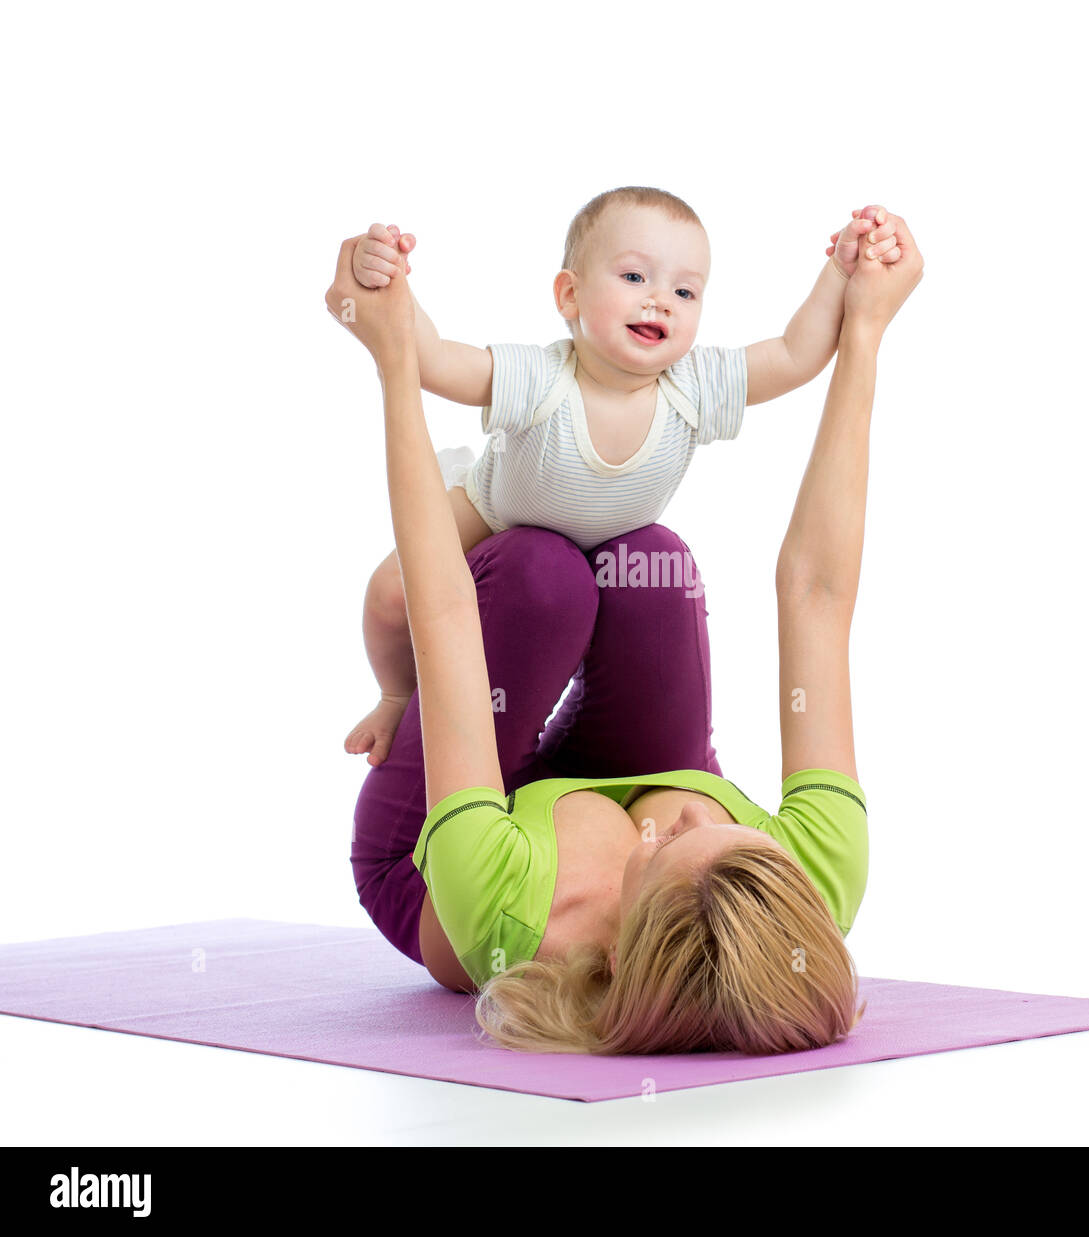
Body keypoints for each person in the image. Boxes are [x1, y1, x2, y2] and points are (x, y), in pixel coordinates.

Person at [326, 211, 924, 1055]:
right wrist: (864, 327)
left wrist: (393, 361)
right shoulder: (809, 881)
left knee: (540, 575)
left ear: (617, 945)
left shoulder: (506, 907)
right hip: (578, 795)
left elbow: (444, 608)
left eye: (667, 854)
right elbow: (817, 591)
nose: (686, 819)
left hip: (426, 852)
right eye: (724, 832)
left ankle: (531, 672)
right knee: (650, 563)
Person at [343, 187, 905, 766]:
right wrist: (389, 284)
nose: (661, 301)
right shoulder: (540, 377)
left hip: (616, 552)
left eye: (685, 291)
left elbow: (796, 354)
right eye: (635, 278)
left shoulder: (696, 385)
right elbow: (432, 359)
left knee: (646, 603)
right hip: (497, 514)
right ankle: (395, 696)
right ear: (569, 294)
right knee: (389, 595)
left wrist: (840, 270)